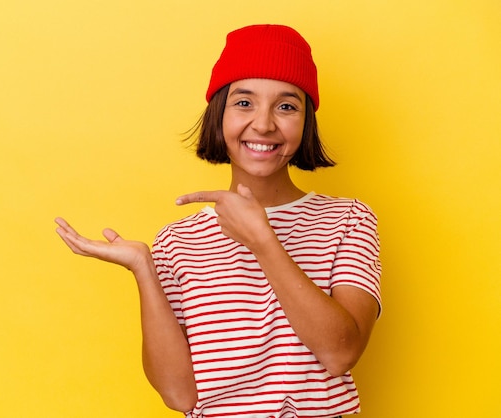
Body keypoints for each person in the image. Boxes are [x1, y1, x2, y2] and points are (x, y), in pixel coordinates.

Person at [55, 24, 381, 418]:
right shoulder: (178, 241)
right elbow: (179, 396)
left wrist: (263, 241)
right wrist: (144, 268)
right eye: (244, 103)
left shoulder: (348, 220)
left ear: (305, 121)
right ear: (218, 116)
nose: (263, 124)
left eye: (286, 106)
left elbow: (340, 353)